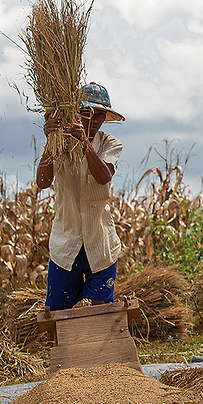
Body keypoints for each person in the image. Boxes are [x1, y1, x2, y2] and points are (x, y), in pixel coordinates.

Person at [36, 82, 125, 312]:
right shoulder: (59, 143)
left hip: (100, 243)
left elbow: (104, 177)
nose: (94, 120)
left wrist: (85, 143)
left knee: (101, 313)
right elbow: (43, 182)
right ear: (76, 114)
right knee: (56, 313)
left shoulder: (109, 143)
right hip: (66, 245)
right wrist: (50, 141)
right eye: (87, 113)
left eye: (100, 115)